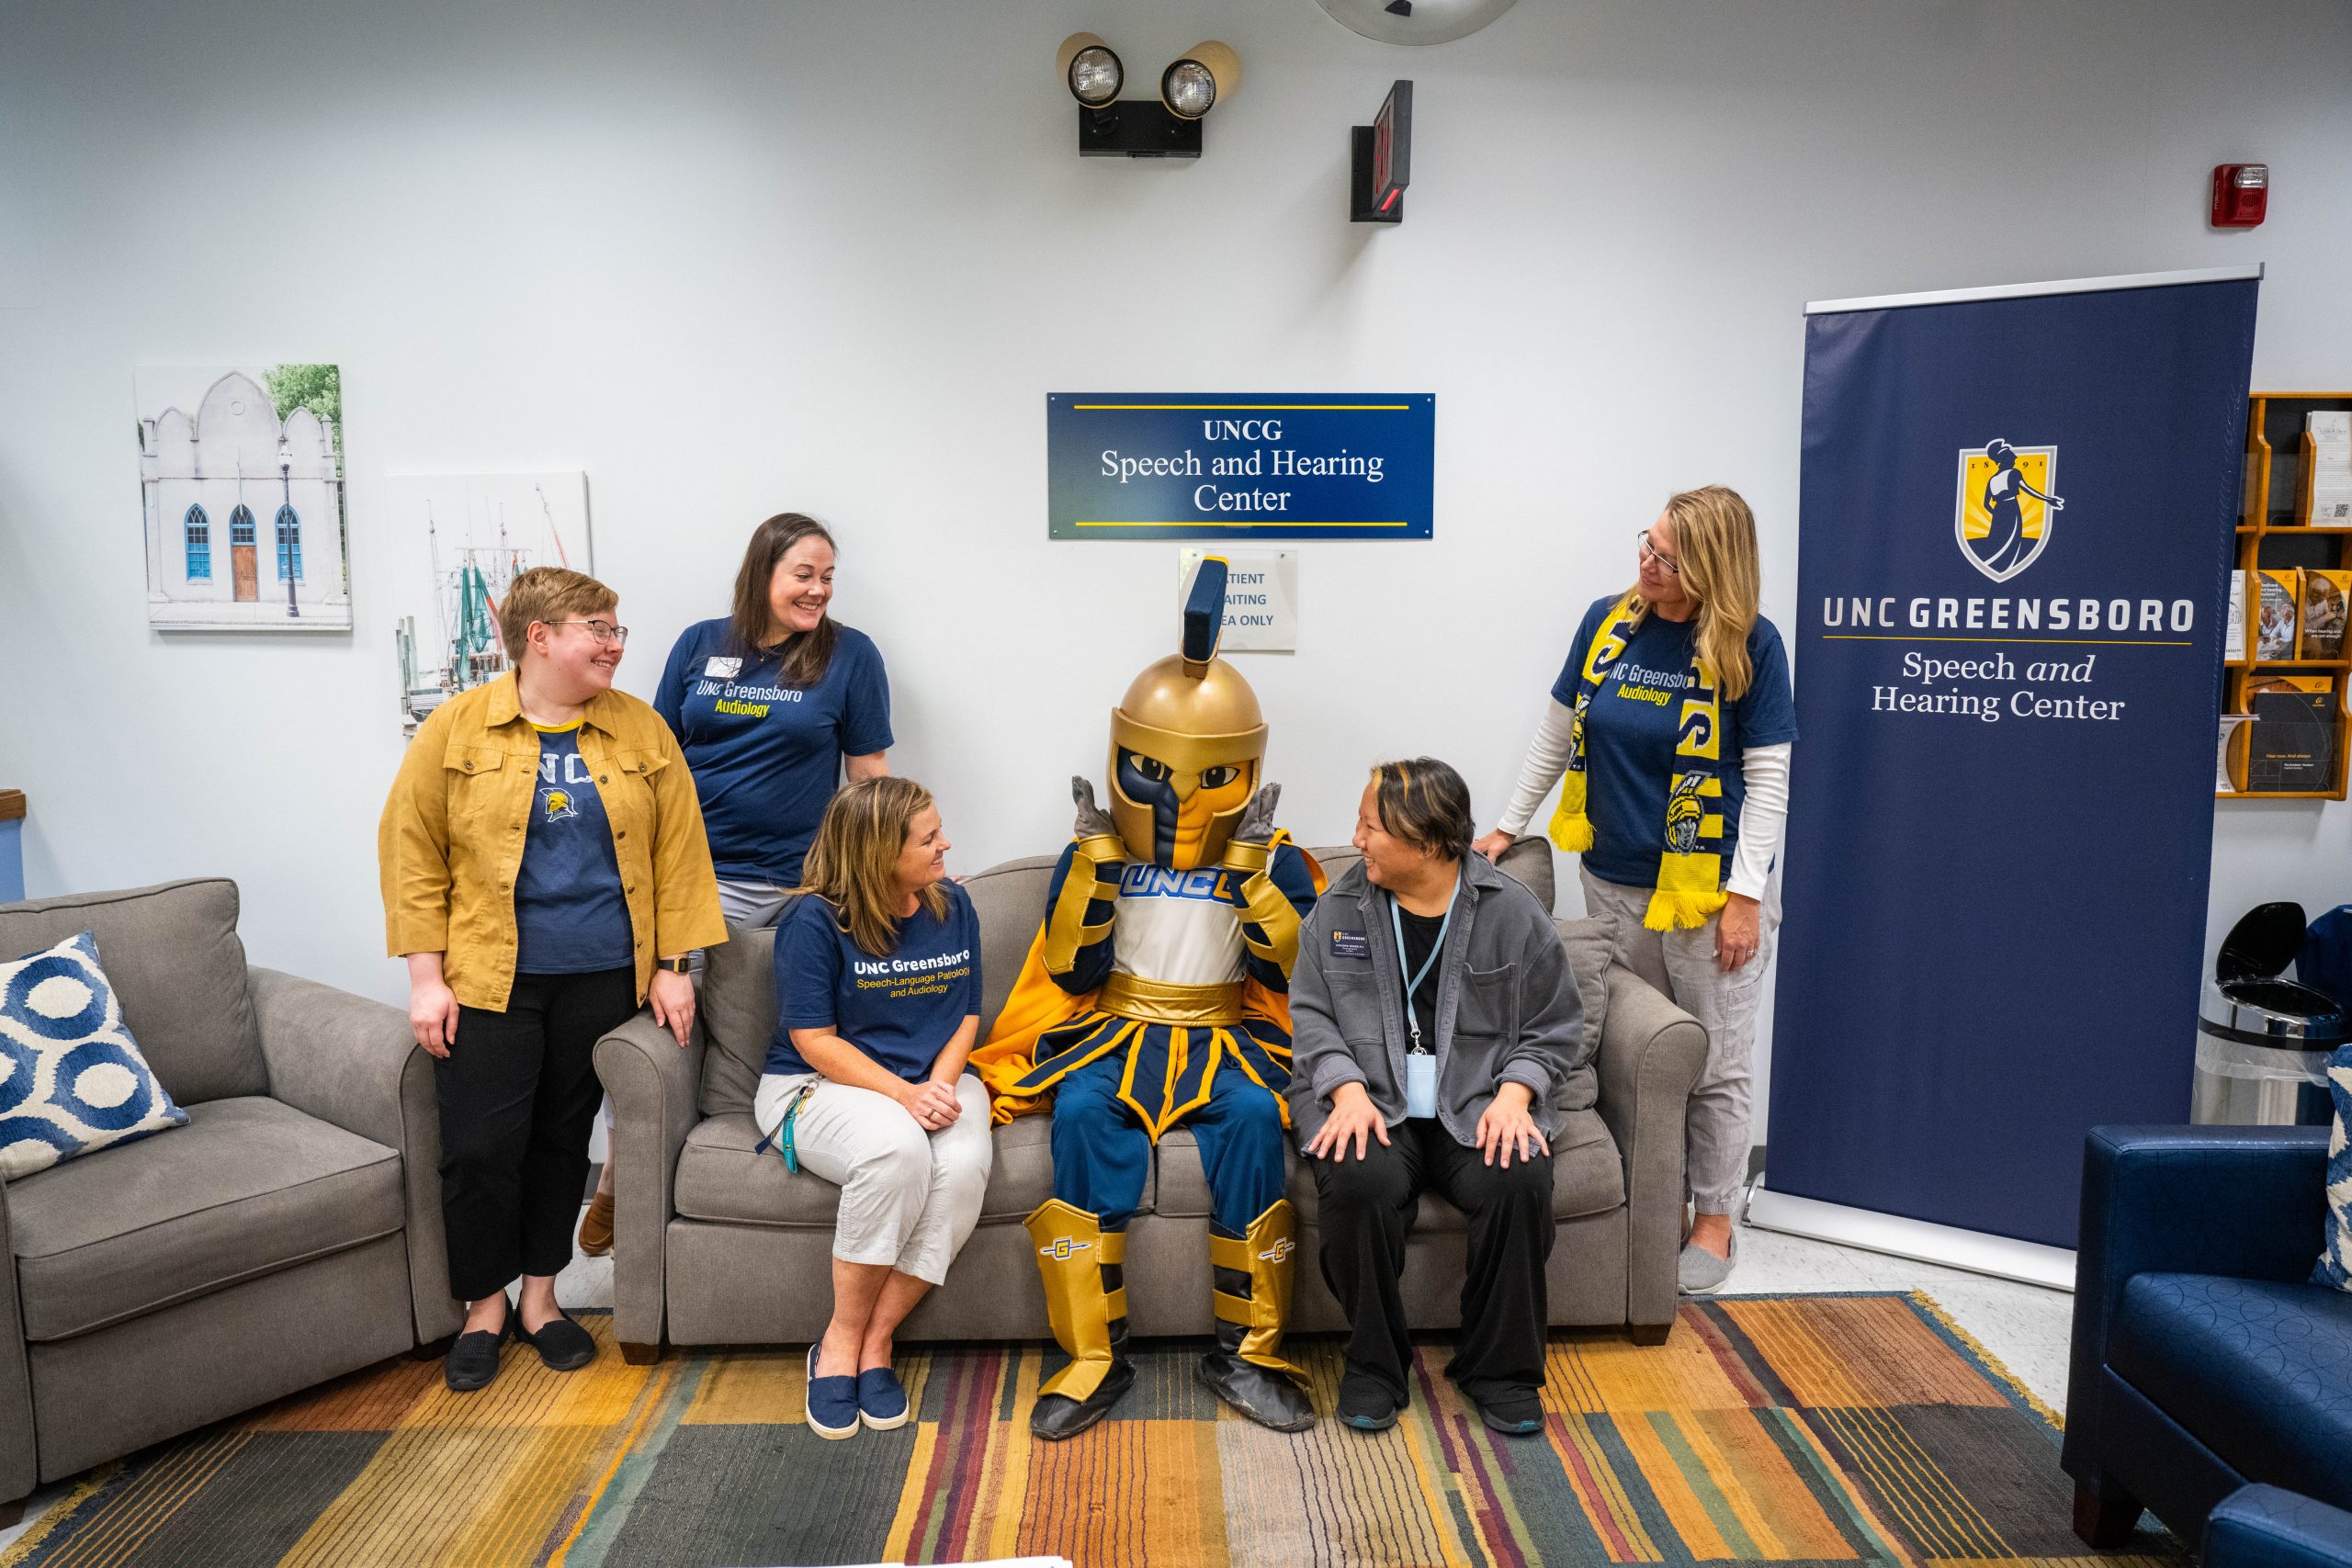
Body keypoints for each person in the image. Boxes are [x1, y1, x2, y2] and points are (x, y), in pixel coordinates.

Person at [973, 560, 1322, 1439]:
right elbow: (1073, 970)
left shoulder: (1273, 856)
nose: (1177, 800)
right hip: (1114, 1030)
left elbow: (1294, 975)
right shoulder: (1093, 850)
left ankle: (1253, 1350)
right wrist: (1093, 864)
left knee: (1251, 1123)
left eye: (1205, 776)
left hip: (1226, 1035)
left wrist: (1249, 876)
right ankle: (1094, 1354)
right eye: (1153, 773)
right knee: (1084, 1120)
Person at [379, 567, 725, 1393]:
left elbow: (680, 855)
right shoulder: (456, 730)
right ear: (539, 637)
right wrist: (426, 978)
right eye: (596, 628)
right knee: (477, 1147)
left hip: (603, 973)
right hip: (490, 979)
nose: (615, 642)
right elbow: (411, 853)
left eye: (617, 628)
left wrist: (675, 968)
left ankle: (542, 1298)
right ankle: (484, 1306)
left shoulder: (641, 731)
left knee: (561, 1139)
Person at [1474, 485, 1795, 1294]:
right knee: (1644, 1054)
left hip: (1707, 897)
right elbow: (1558, 730)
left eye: (1664, 555)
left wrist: (1747, 895)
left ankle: (1716, 1218)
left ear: (1711, 568)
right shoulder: (1608, 623)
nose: (1645, 563)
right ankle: (1663, 1204)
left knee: (1714, 1060)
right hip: (1612, 882)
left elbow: (1768, 782)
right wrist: (1509, 824)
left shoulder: (1752, 645)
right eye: (1645, 544)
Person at [576, 512, 892, 1257]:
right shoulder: (699, 643)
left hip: (800, 886)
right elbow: (653, 755)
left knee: (793, 1025)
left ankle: (798, 1149)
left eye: (827, 577)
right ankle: (622, 1174)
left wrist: (883, 869)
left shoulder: (851, 657)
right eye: (803, 575)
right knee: (658, 1024)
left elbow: (869, 776)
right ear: (762, 574)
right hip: (695, 878)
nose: (818, 590)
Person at [1289, 758, 1587, 1436]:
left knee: (1518, 1176)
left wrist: (1517, 1094)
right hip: (1373, 1101)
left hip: (1477, 1100)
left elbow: (1554, 1025)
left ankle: (1500, 1369)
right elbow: (1310, 1015)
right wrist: (1345, 1088)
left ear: (1426, 843)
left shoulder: (1513, 912)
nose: (1356, 839)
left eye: (1369, 827)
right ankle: (1375, 1363)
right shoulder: (1337, 910)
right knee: (1358, 1178)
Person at [757, 776, 989, 1438]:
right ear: (878, 851)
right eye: (928, 837)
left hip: (932, 1079)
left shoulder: (954, 905)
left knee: (967, 1158)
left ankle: (878, 1340)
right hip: (816, 1084)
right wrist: (906, 1096)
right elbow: (813, 1039)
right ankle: (839, 1340)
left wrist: (939, 1086)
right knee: (896, 1148)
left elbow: (968, 1011)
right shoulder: (814, 920)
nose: (945, 844)